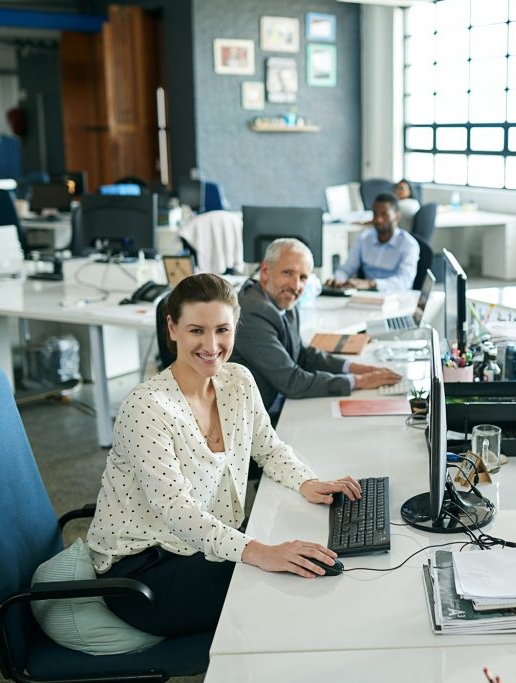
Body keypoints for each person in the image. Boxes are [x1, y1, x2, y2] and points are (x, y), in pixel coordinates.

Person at [87, 273, 363, 638]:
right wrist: (259, 551)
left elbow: (268, 446)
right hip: (145, 570)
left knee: (310, 555)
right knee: (285, 591)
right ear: (172, 329)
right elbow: (177, 510)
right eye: (196, 330)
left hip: (205, 546)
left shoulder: (237, 380)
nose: (211, 345)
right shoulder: (146, 406)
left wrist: (307, 481)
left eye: (222, 330)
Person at [231, 238, 402, 418]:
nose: (296, 285)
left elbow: (302, 354)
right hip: (252, 421)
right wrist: (359, 381)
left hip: (276, 406)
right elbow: (292, 382)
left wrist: (353, 367)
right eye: (288, 273)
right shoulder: (252, 312)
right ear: (265, 271)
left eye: (303, 277)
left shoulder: (281, 301)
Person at [326, 193, 419, 291]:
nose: (378, 219)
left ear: (397, 217)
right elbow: (346, 268)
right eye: (375, 214)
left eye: (384, 214)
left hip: (395, 297)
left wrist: (371, 284)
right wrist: (338, 279)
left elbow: (404, 282)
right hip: (366, 296)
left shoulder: (409, 244)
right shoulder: (364, 238)